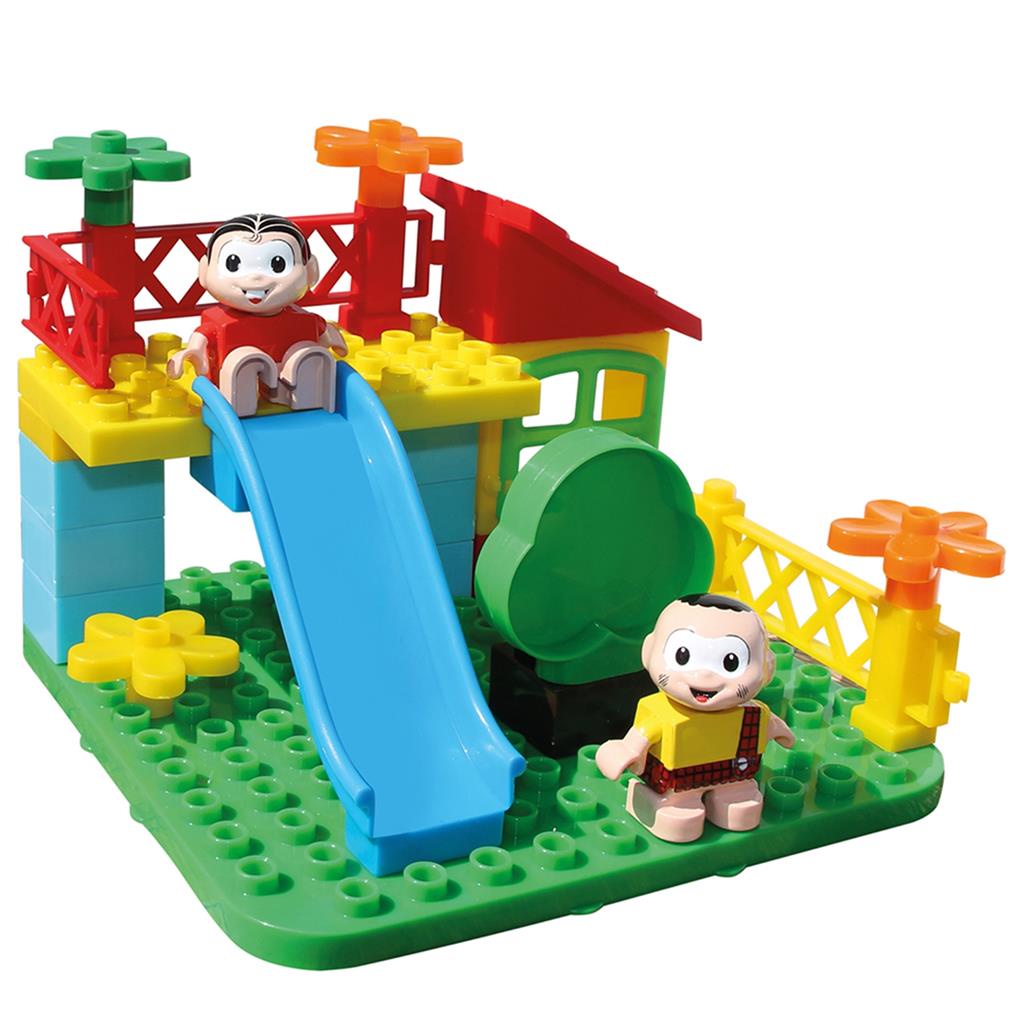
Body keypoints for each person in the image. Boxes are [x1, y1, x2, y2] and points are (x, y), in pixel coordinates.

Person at [596, 593, 795, 842]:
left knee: (740, 802)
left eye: (730, 663)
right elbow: (638, 738)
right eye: (683, 657)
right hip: (675, 785)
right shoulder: (660, 713)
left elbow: (770, 725)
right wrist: (624, 751)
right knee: (679, 814)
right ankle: (672, 803)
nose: (704, 677)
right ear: (648, 652)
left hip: (734, 777)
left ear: (767, 668)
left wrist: (781, 732)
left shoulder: (753, 715)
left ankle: (730, 795)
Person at [167, 214, 346, 416]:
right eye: (233, 264)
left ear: (311, 271)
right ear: (204, 271)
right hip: (235, 380)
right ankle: (241, 403)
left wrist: (332, 338)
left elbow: (323, 330)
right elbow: (201, 338)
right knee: (242, 361)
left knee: (307, 355)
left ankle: (306, 398)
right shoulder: (220, 324)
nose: (255, 277)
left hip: (289, 374)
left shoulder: (303, 320)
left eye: (277, 265)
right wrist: (194, 352)